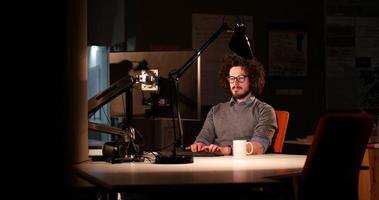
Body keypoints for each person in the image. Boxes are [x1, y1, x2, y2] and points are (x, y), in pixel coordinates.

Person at [186, 53, 277, 155]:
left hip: (248, 165)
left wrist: (228, 150)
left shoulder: (264, 110)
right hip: (217, 164)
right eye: (232, 78)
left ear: (252, 79)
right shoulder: (216, 110)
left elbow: (259, 146)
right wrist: (199, 145)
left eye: (241, 78)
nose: (235, 83)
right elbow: (203, 139)